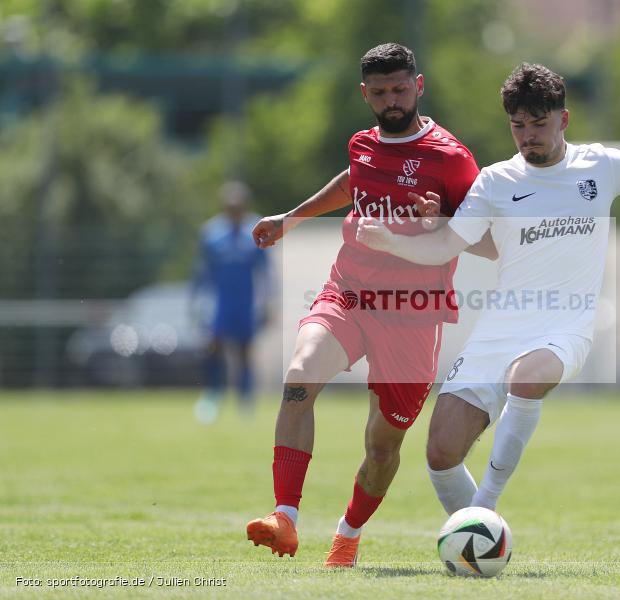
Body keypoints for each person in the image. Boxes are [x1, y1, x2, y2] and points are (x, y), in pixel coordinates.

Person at [356, 63, 620, 516]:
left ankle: (485, 512)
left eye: (538, 124)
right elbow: (445, 244)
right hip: (499, 328)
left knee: (527, 379)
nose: (528, 136)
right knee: (440, 455)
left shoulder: (602, 166)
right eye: (518, 126)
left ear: (564, 119)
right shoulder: (495, 181)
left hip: (565, 325)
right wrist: (395, 241)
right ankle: (481, 547)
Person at [245, 43, 496, 566]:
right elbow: (354, 180)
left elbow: (487, 238)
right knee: (299, 378)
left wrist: (441, 222)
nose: (391, 100)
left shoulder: (451, 157)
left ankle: (348, 533)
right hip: (350, 293)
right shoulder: (362, 143)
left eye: (400, 89)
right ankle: (284, 517)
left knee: (382, 451)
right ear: (366, 94)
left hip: (413, 312)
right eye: (379, 92)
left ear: (419, 85)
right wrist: (291, 218)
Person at [191, 181, 271, 423]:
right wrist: (197, 301)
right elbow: (201, 271)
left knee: (245, 352)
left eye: (239, 206)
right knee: (214, 349)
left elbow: (265, 272)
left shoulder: (256, 229)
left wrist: (267, 302)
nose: (234, 210)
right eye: (230, 206)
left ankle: (245, 401)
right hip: (220, 303)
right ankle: (212, 397)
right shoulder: (212, 233)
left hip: (245, 303)